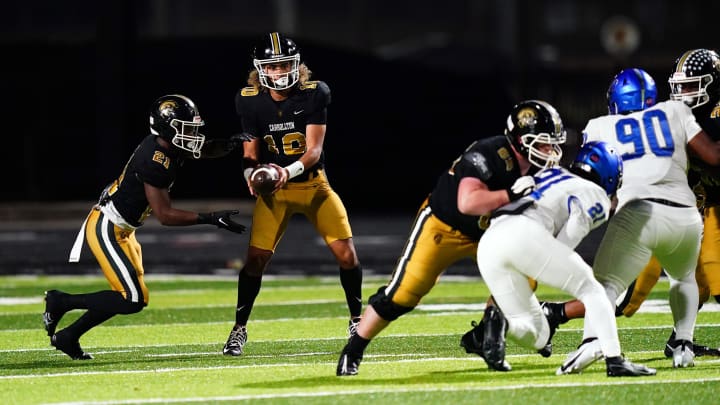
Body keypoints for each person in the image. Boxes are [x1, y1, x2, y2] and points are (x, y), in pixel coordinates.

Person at [336, 99, 567, 376]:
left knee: (525, 276)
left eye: (552, 144)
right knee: (402, 296)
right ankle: (354, 349)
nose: (549, 151)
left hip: (491, 232)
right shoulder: (487, 154)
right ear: (519, 139)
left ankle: (483, 336)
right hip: (445, 225)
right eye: (541, 143)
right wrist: (511, 195)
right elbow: (467, 203)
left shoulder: (541, 169)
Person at [542, 49, 720, 358]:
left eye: (692, 86)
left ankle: (681, 340)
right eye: (681, 86)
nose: (683, 94)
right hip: (675, 211)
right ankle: (556, 315)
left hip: (703, 208)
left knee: (707, 278)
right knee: (631, 298)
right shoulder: (673, 117)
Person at [43, 94, 247, 360]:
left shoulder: (168, 145)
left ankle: (69, 336)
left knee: (130, 296)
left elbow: (201, 148)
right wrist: (210, 218)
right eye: (186, 129)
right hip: (108, 227)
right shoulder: (155, 160)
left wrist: (228, 145)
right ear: (167, 129)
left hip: (123, 229)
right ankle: (61, 301)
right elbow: (165, 215)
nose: (193, 135)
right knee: (132, 299)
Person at [222, 32, 363, 356]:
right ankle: (239, 328)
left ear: (297, 65)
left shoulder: (314, 94)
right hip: (275, 194)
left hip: (314, 186)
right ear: (261, 69)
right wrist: (250, 175)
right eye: (271, 66)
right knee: (255, 260)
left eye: (284, 64)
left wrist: (286, 171)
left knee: (347, 256)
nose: (278, 71)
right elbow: (249, 150)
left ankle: (357, 319)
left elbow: (314, 151)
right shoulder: (249, 99)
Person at [478, 140, 655, 376]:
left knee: (539, 334)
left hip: (490, 241)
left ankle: (498, 321)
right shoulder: (596, 195)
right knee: (595, 290)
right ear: (610, 176)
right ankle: (615, 361)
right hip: (522, 235)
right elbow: (565, 241)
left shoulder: (551, 172)